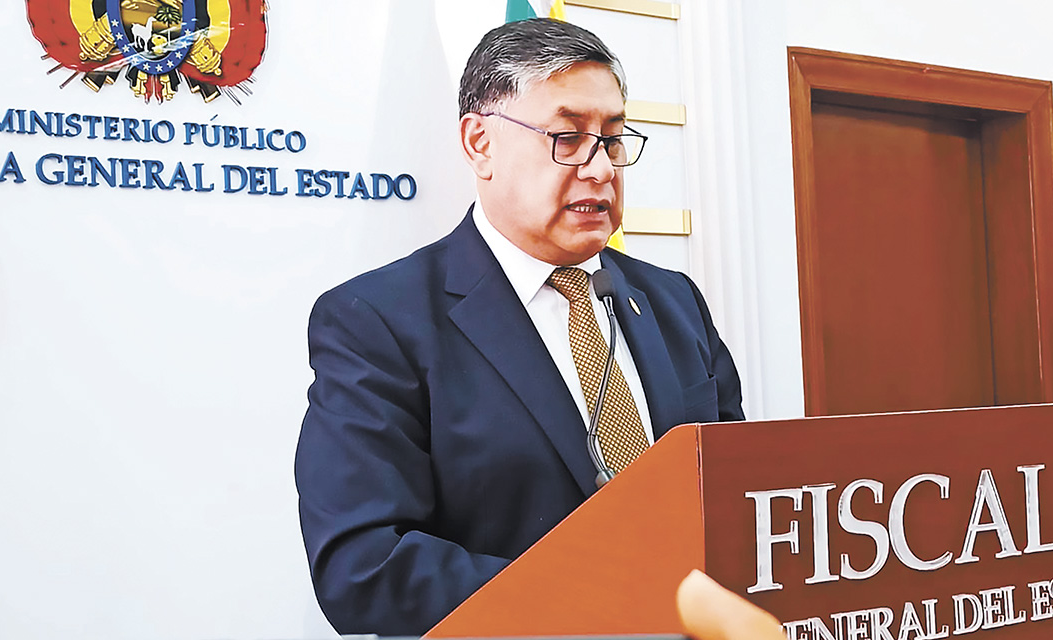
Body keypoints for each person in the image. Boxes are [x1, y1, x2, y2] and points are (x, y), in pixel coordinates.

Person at [295, 18, 743, 636]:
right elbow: (365, 567)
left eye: (612, 139)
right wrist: (612, 596)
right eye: (566, 137)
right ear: (479, 142)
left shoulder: (673, 300)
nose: (600, 169)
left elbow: (735, 496)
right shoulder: (377, 322)